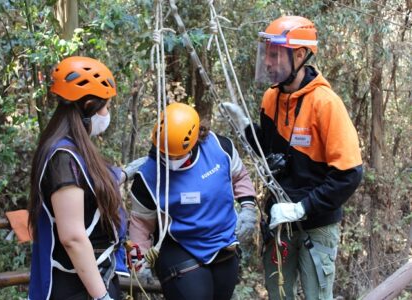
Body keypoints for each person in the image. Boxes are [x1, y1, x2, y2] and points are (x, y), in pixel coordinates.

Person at [221, 16, 363, 300]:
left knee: (316, 296)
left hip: (317, 226)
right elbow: (271, 153)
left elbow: (349, 174)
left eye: (276, 54)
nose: (269, 62)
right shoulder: (270, 99)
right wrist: (248, 130)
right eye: (267, 54)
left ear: (299, 54)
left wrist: (302, 208)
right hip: (278, 222)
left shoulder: (326, 103)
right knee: (278, 294)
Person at [27, 56, 143, 300]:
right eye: (106, 107)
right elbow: (73, 237)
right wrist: (102, 297)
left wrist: (126, 172)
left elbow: (92, 183)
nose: (107, 113)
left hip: (97, 277)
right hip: (78, 287)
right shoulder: (63, 158)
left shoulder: (73, 149)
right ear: (89, 104)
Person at [128, 102, 258, 300]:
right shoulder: (148, 176)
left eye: (176, 154)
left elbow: (239, 176)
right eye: (165, 154)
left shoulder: (220, 148)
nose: (170, 159)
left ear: (195, 139)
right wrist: (138, 263)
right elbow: (140, 223)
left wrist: (248, 208)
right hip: (180, 244)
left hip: (223, 241)